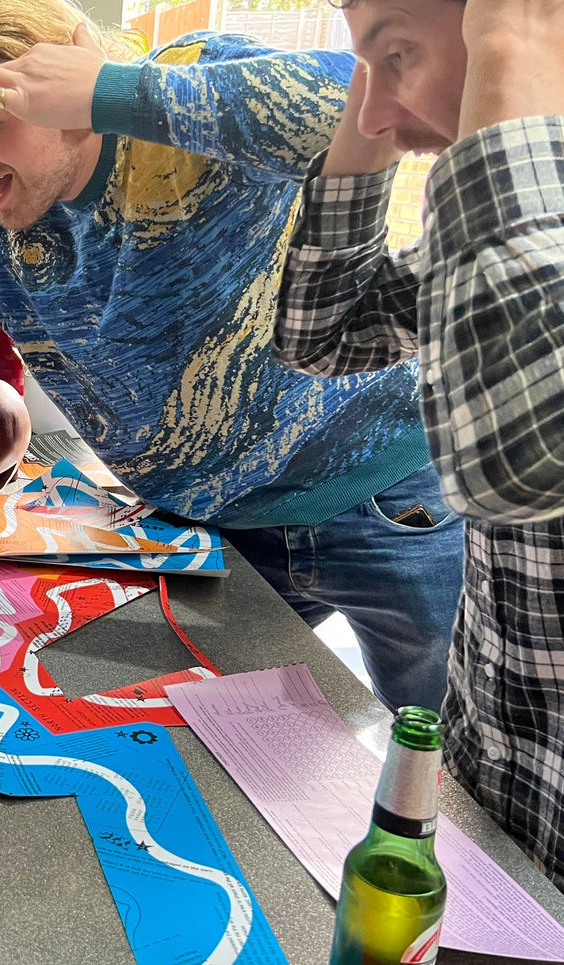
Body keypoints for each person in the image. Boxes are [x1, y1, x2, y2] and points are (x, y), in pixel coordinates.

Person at [0, 0, 464, 714]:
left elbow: (363, 97)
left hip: (389, 506)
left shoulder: (177, 91)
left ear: (69, 76)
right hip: (213, 536)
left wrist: (107, 90)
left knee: (448, 746)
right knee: (206, 744)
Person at [275, 0, 564, 886]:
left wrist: (509, 46)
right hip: (497, 792)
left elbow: (517, 459)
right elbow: (321, 332)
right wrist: (379, 72)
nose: (368, 114)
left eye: (397, 53)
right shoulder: (497, 222)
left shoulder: (515, 208)